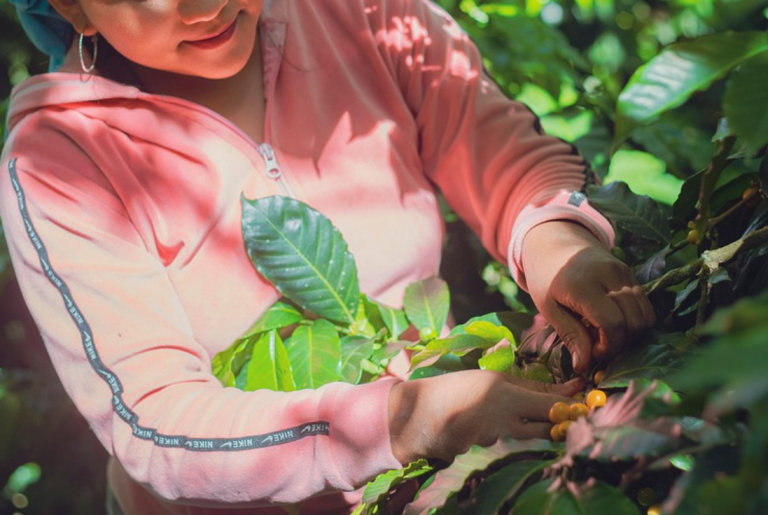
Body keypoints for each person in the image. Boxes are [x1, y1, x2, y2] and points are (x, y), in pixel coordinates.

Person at [1, 0, 656, 513]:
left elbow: (496, 147)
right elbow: (159, 424)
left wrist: (556, 241)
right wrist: (401, 419)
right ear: (70, 7)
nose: (205, 6)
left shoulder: (365, 12)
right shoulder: (61, 162)